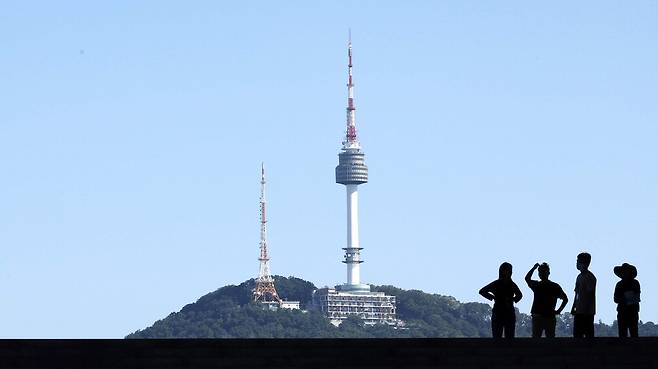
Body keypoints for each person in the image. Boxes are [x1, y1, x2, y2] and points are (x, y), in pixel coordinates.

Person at [479, 262, 523, 338]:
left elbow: (520, 295)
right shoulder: (508, 284)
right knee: (500, 336)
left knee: (506, 337)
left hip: (504, 311)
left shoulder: (505, 284)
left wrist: (493, 297)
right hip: (502, 311)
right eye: (509, 270)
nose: (510, 272)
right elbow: (482, 291)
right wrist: (493, 297)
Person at [525, 262, 568, 337]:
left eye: (543, 272)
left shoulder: (538, 285)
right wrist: (558, 311)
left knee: (538, 339)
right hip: (545, 316)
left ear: (548, 272)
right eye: (540, 272)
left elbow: (527, 278)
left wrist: (534, 268)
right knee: (546, 339)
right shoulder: (553, 286)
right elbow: (565, 299)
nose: (541, 274)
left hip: (544, 316)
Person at [571, 252, 596, 337]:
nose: (577, 264)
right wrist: (574, 306)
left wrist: (587, 309)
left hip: (587, 312)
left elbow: (590, 294)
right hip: (579, 310)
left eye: (579, 262)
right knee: (577, 334)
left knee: (588, 334)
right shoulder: (579, 277)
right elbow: (577, 293)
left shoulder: (590, 277)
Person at [614, 263, 641, 337]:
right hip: (623, 312)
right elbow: (615, 299)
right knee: (623, 334)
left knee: (634, 333)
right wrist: (627, 298)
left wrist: (624, 299)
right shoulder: (619, 284)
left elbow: (636, 297)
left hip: (632, 312)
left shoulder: (635, 283)